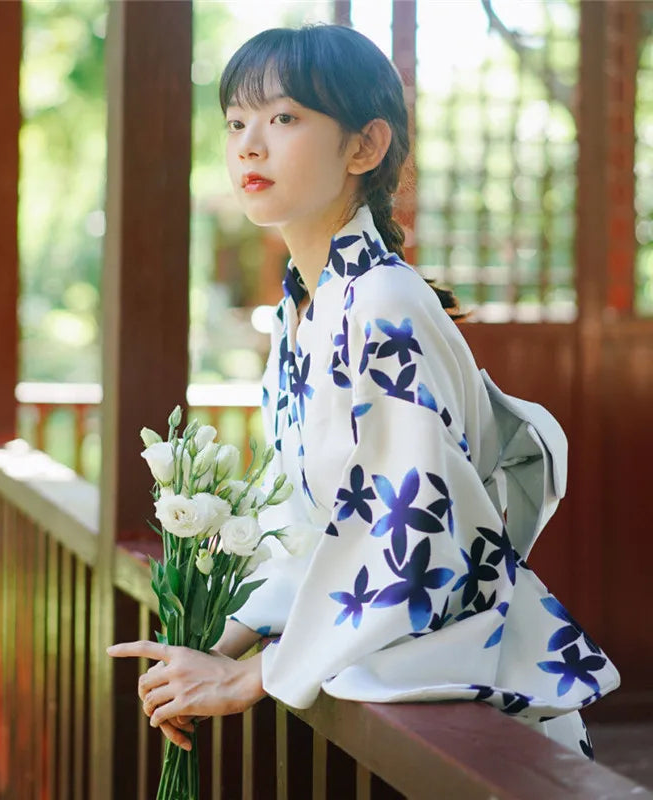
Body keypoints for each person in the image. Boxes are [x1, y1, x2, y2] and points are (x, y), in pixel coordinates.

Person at [107, 24, 619, 758]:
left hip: (469, 711)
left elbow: (407, 527)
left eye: (283, 118)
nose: (249, 144)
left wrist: (251, 677)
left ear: (364, 146)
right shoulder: (301, 311)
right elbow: (311, 526)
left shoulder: (382, 302)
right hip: (403, 681)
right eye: (235, 122)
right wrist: (220, 631)